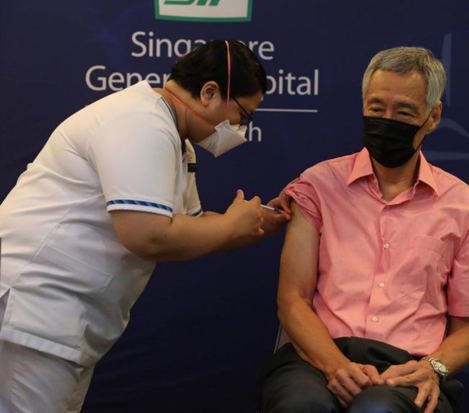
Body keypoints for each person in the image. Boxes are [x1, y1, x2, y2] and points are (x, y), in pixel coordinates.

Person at [0, 39, 288, 412]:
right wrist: (234, 226)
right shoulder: (140, 123)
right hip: (34, 311)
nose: (238, 128)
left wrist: (258, 220)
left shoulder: (173, 135)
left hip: (58, 322)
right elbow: (148, 235)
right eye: (242, 116)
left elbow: (190, 226)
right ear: (210, 92)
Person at [259, 47, 469, 413]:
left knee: (377, 410)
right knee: (301, 405)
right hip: (315, 359)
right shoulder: (318, 186)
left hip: (408, 369)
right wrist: (335, 366)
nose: (386, 121)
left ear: (432, 116)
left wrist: (432, 369)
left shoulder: (463, 205)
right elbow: (292, 299)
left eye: (404, 112)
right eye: (376, 108)